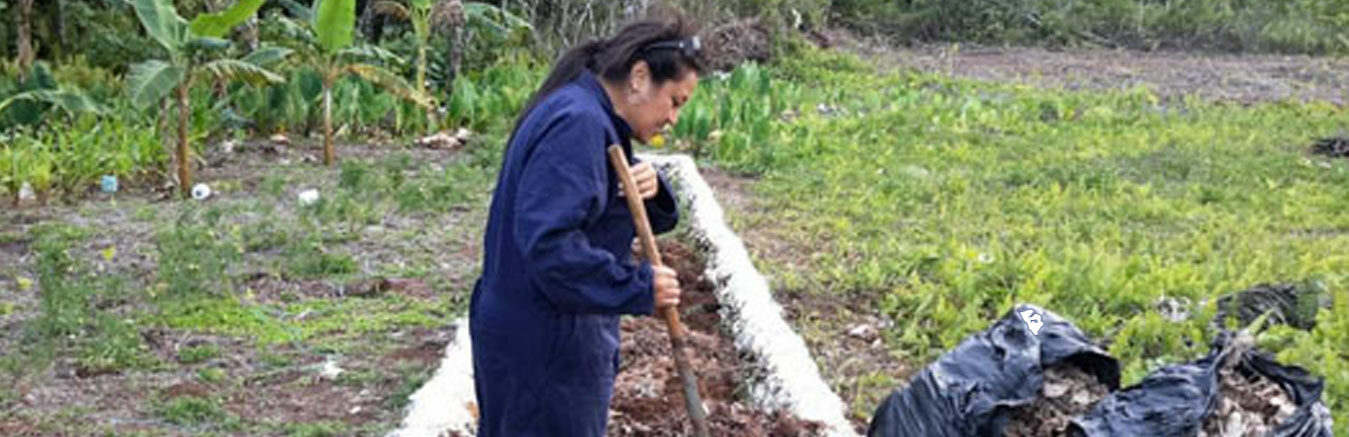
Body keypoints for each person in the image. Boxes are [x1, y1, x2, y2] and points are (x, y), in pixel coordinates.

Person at [469, 14, 705, 437]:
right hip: (544, 349)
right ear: (638, 77)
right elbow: (550, 247)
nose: (674, 118)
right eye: (675, 101)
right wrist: (636, 287)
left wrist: (649, 189)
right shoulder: (577, 124)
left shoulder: (590, 117)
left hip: (543, 336)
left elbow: (588, 207)